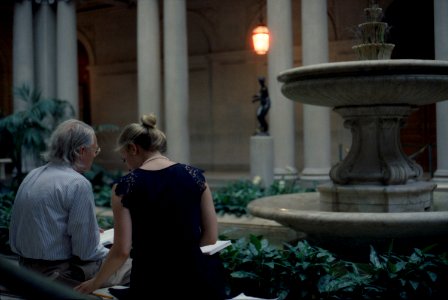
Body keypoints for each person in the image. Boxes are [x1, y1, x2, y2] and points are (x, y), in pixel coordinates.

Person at [74, 114, 226, 299]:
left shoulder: (125, 186)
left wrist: (95, 282)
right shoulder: (196, 177)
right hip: (196, 280)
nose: (127, 166)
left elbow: (122, 250)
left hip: (151, 283)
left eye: (124, 159)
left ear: (133, 148)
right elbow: (210, 238)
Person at [8, 119, 132, 288]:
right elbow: (86, 252)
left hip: (25, 268)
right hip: (57, 274)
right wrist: (116, 252)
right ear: (81, 151)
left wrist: (91, 233)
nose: (95, 155)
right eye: (95, 150)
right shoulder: (77, 184)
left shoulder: (33, 175)